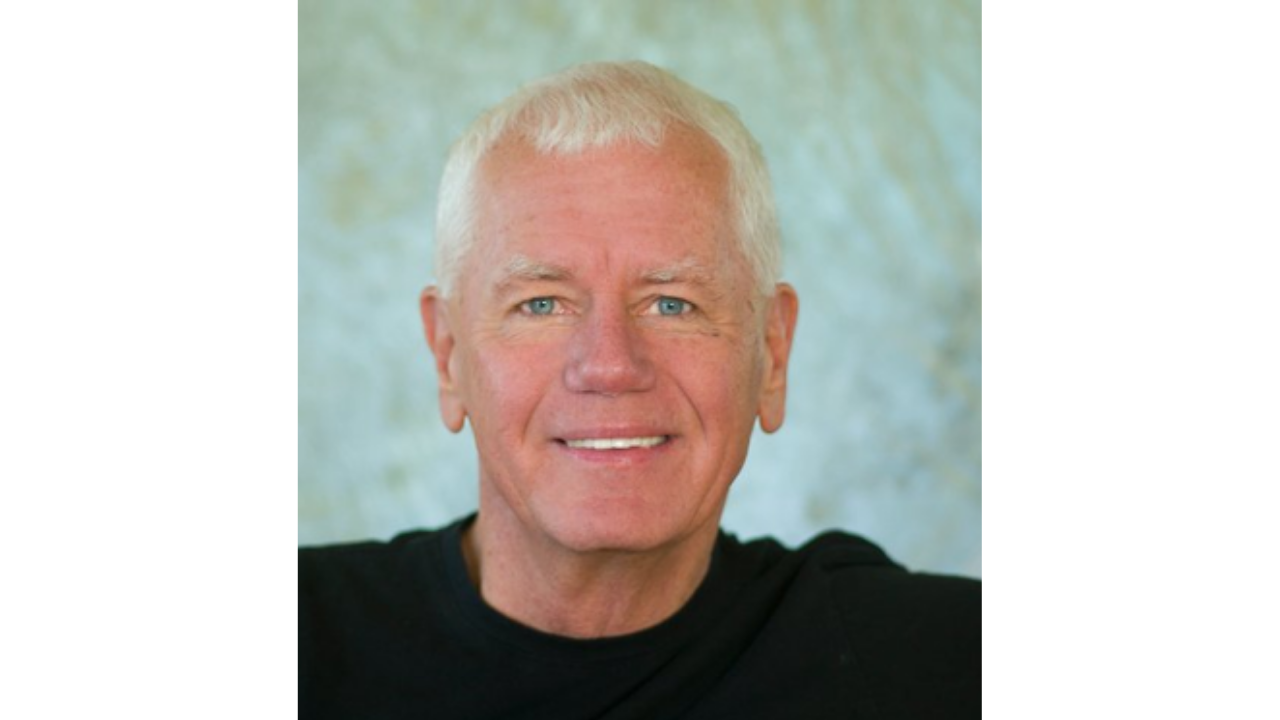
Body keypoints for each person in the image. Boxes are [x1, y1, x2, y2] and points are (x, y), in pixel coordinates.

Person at [300, 61, 979, 719]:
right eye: (541, 303)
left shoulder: (936, 667)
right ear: (448, 355)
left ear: (772, 353)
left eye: (672, 303)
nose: (609, 365)